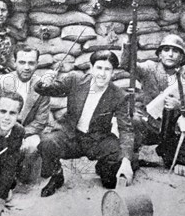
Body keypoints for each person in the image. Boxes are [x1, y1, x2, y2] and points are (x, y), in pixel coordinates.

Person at [35, 50, 135, 197]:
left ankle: (103, 168)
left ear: (113, 72)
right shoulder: (75, 80)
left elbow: (126, 129)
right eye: (99, 68)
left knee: (110, 180)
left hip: (98, 140)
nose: (102, 74)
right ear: (91, 68)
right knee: (47, 142)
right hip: (71, 135)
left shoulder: (119, 95)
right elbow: (46, 89)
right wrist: (44, 82)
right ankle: (56, 175)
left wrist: (126, 160)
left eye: (107, 69)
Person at [121, 32, 185, 163]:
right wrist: (129, 39)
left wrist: (180, 105)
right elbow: (127, 65)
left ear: (181, 57)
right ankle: (133, 154)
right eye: (166, 50)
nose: (170, 54)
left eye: (175, 51)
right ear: (159, 54)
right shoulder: (149, 68)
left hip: (173, 128)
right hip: (149, 124)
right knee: (133, 119)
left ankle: (166, 152)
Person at [0, 44, 50, 181]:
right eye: (22, 62)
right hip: (1, 129)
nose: (26, 67)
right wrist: (5, 133)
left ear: (37, 64)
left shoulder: (42, 86)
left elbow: (41, 121)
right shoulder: (0, 82)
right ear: (14, 62)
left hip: (27, 132)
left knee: (32, 147)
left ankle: (21, 178)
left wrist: (19, 135)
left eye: (31, 63)